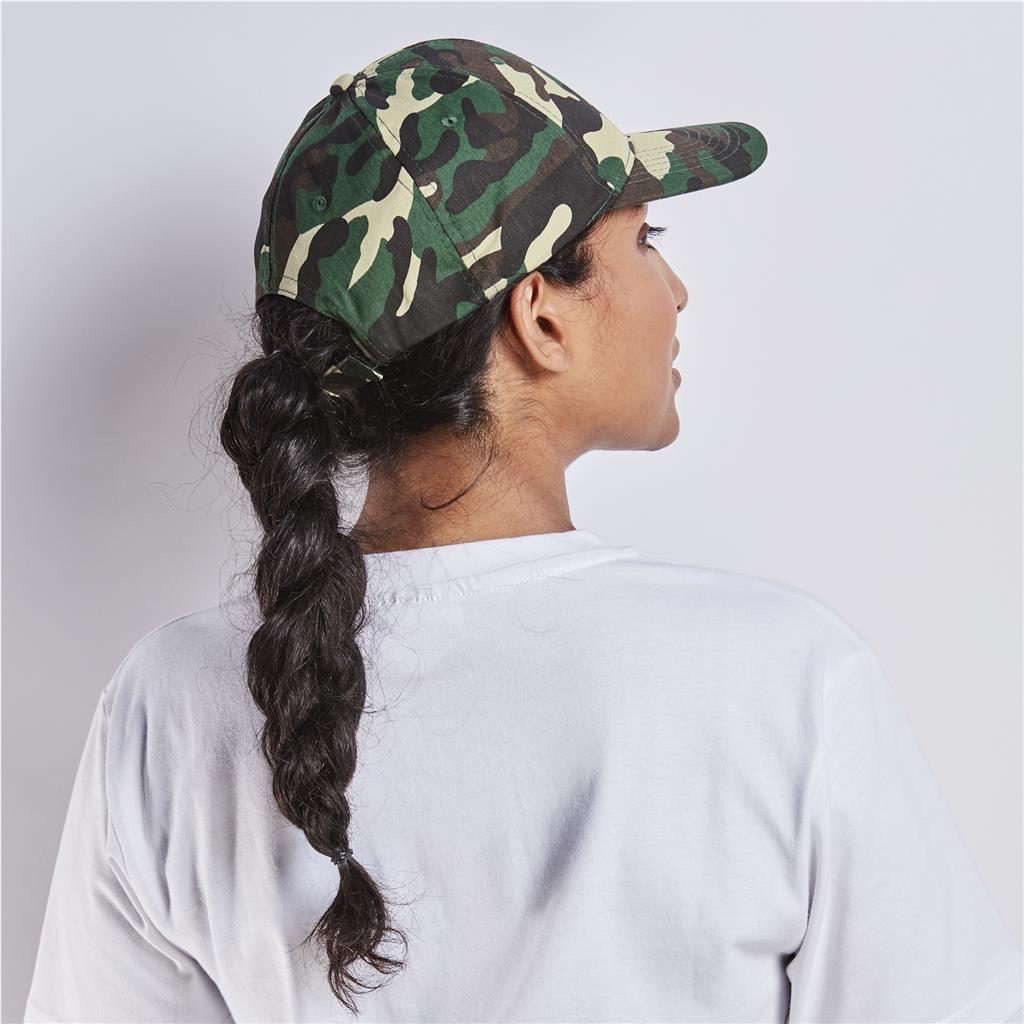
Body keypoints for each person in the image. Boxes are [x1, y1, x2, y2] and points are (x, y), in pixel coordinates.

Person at [23, 36, 1022, 1024]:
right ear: (540, 315)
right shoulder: (781, 678)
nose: (675, 291)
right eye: (647, 241)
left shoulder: (167, 703)